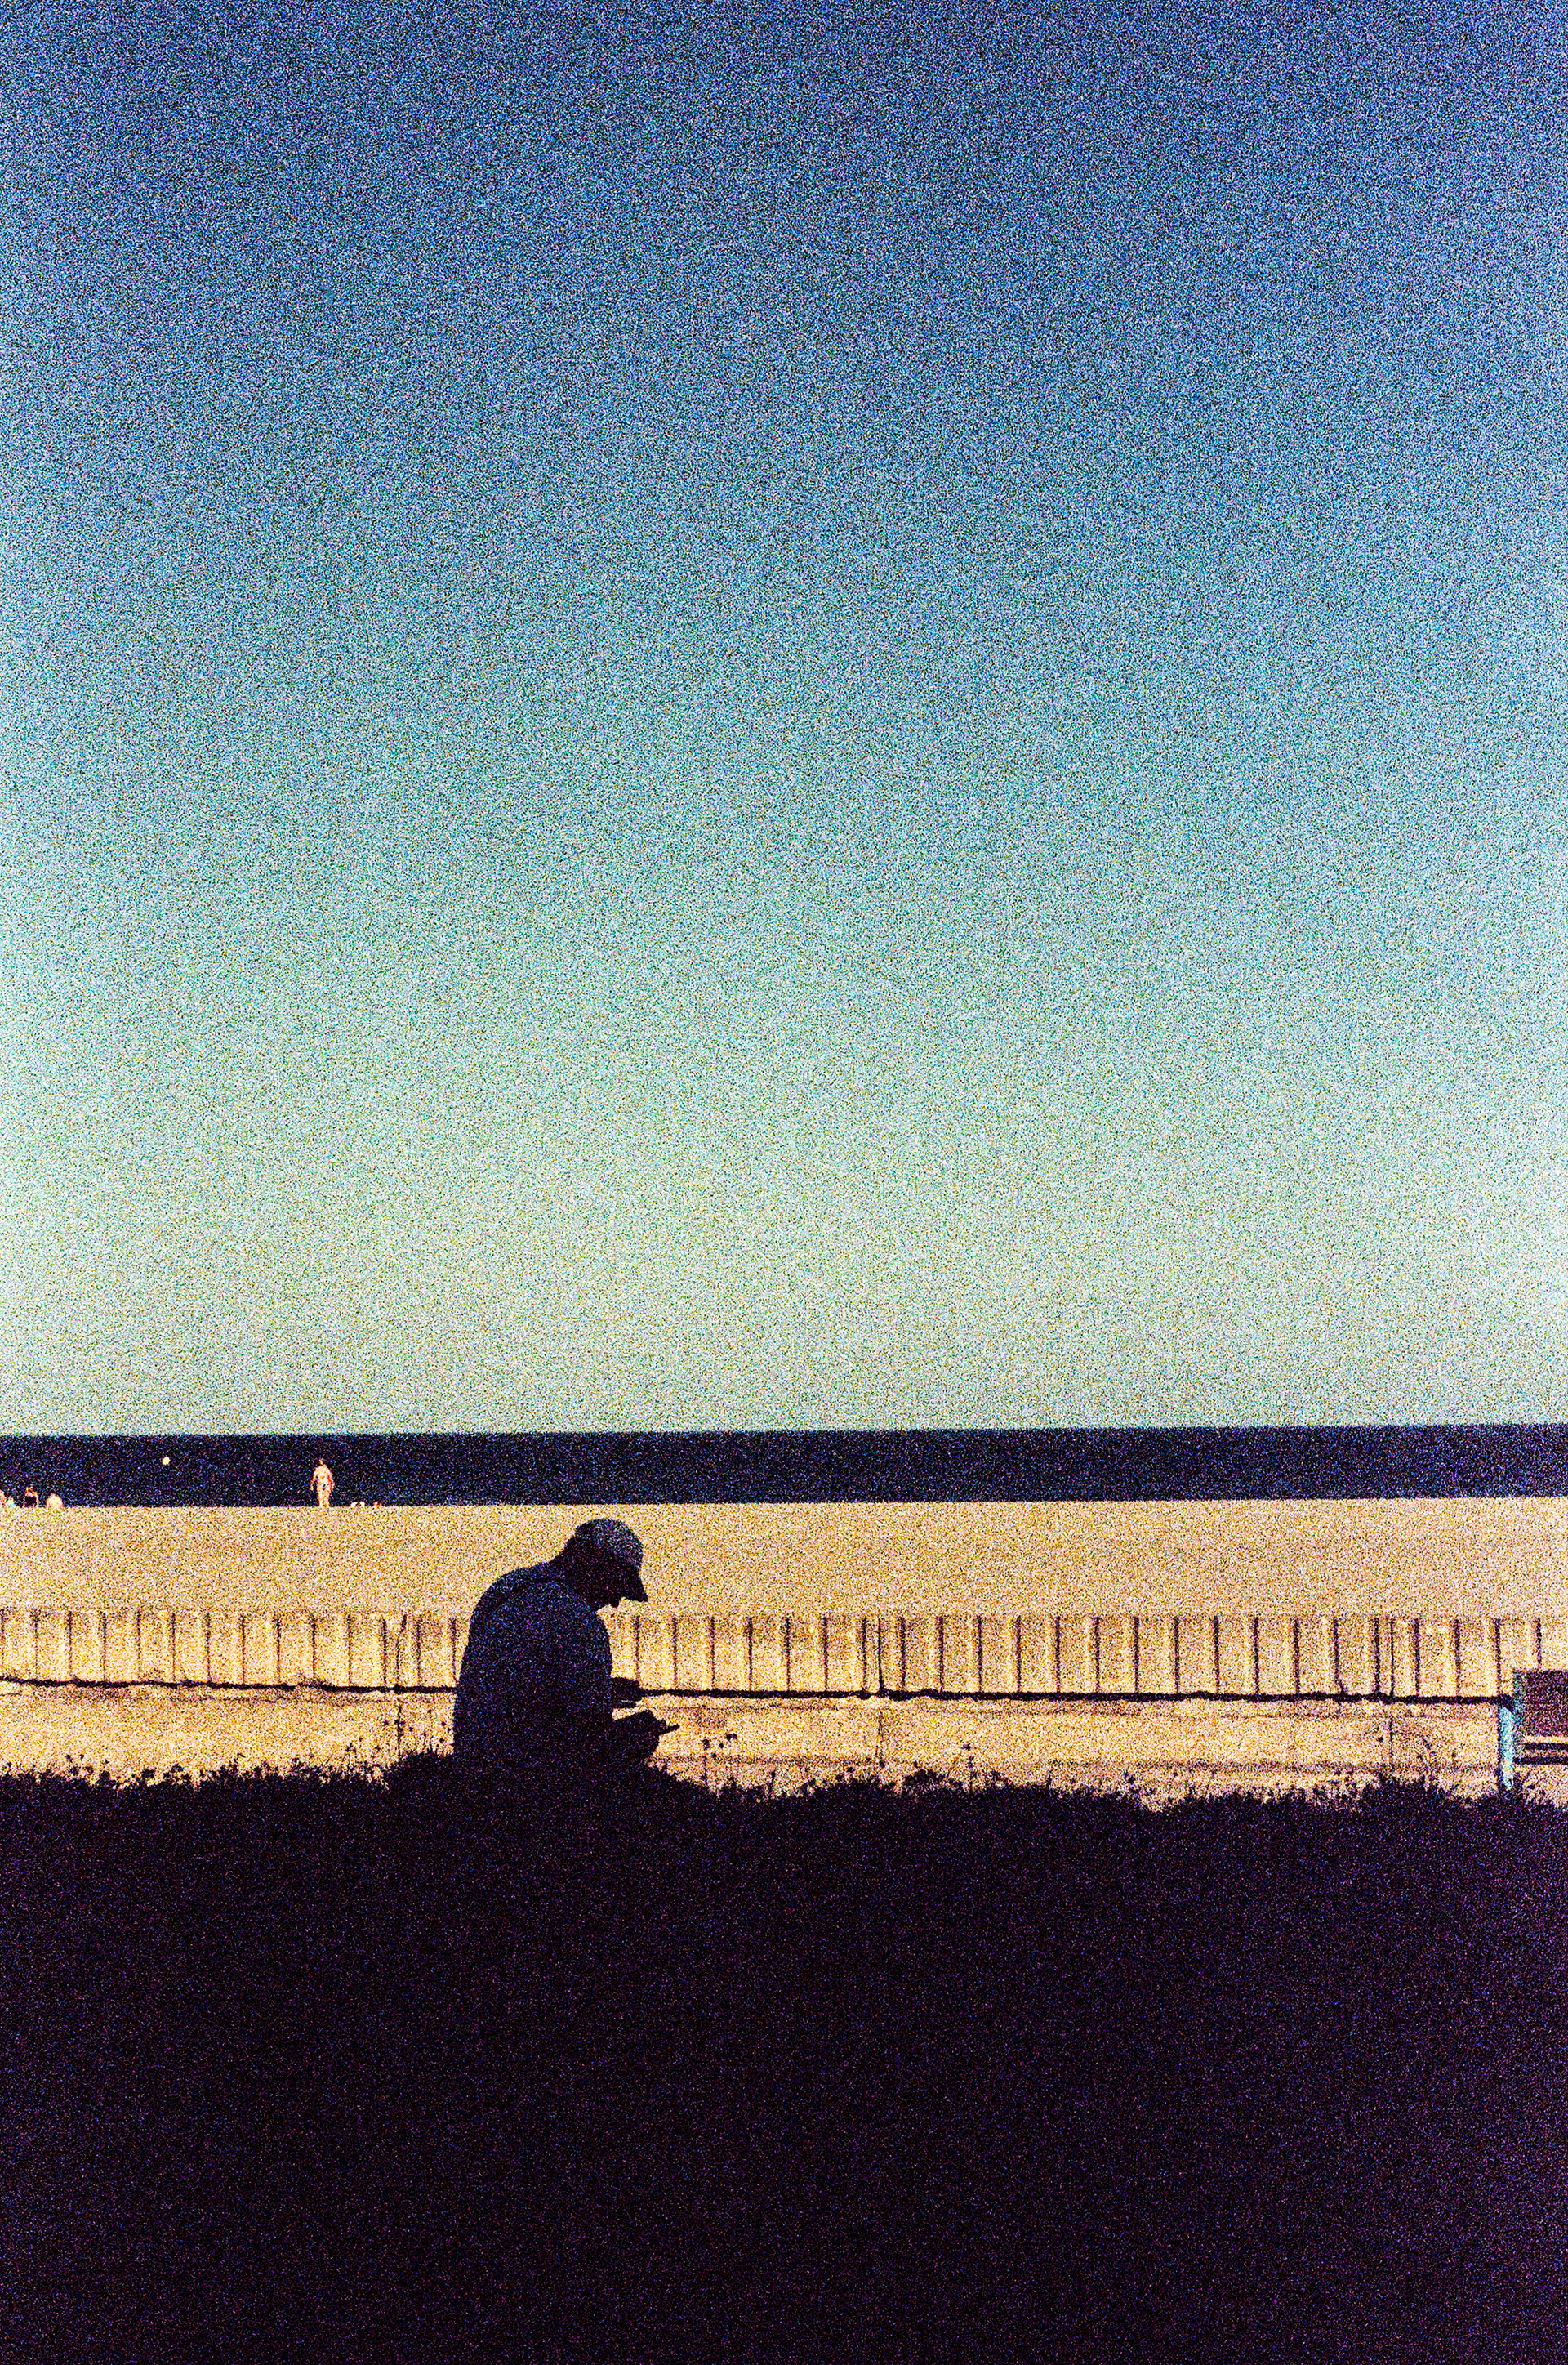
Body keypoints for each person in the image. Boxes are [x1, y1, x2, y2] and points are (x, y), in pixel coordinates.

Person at [452, 1517, 672, 1779]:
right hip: (527, 1783)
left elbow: (517, 1689)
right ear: (596, 1567)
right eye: (616, 1585)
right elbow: (590, 1743)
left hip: (471, 1771)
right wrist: (640, 1736)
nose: (615, 1601)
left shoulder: (505, 1589)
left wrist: (602, 1691)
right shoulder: (580, 1621)